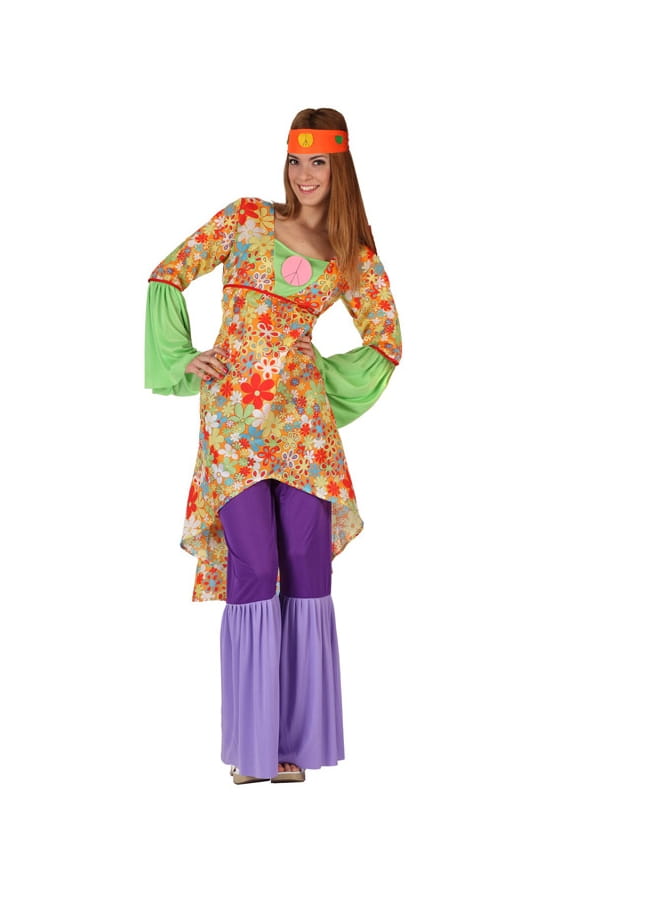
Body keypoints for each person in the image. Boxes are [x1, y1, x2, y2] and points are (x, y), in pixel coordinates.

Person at [144, 108, 402, 784]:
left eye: (318, 162)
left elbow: (386, 340)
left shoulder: (351, 254)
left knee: (308, 569)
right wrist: (184, 357)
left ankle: (295, 746)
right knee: (255, 566)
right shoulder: (245, 219)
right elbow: (167, 273)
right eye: (295, 159)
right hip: (234, 425)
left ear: (340, 167)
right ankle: (253, 748)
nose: (304, 174)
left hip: (304, 432)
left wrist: (317, 378)